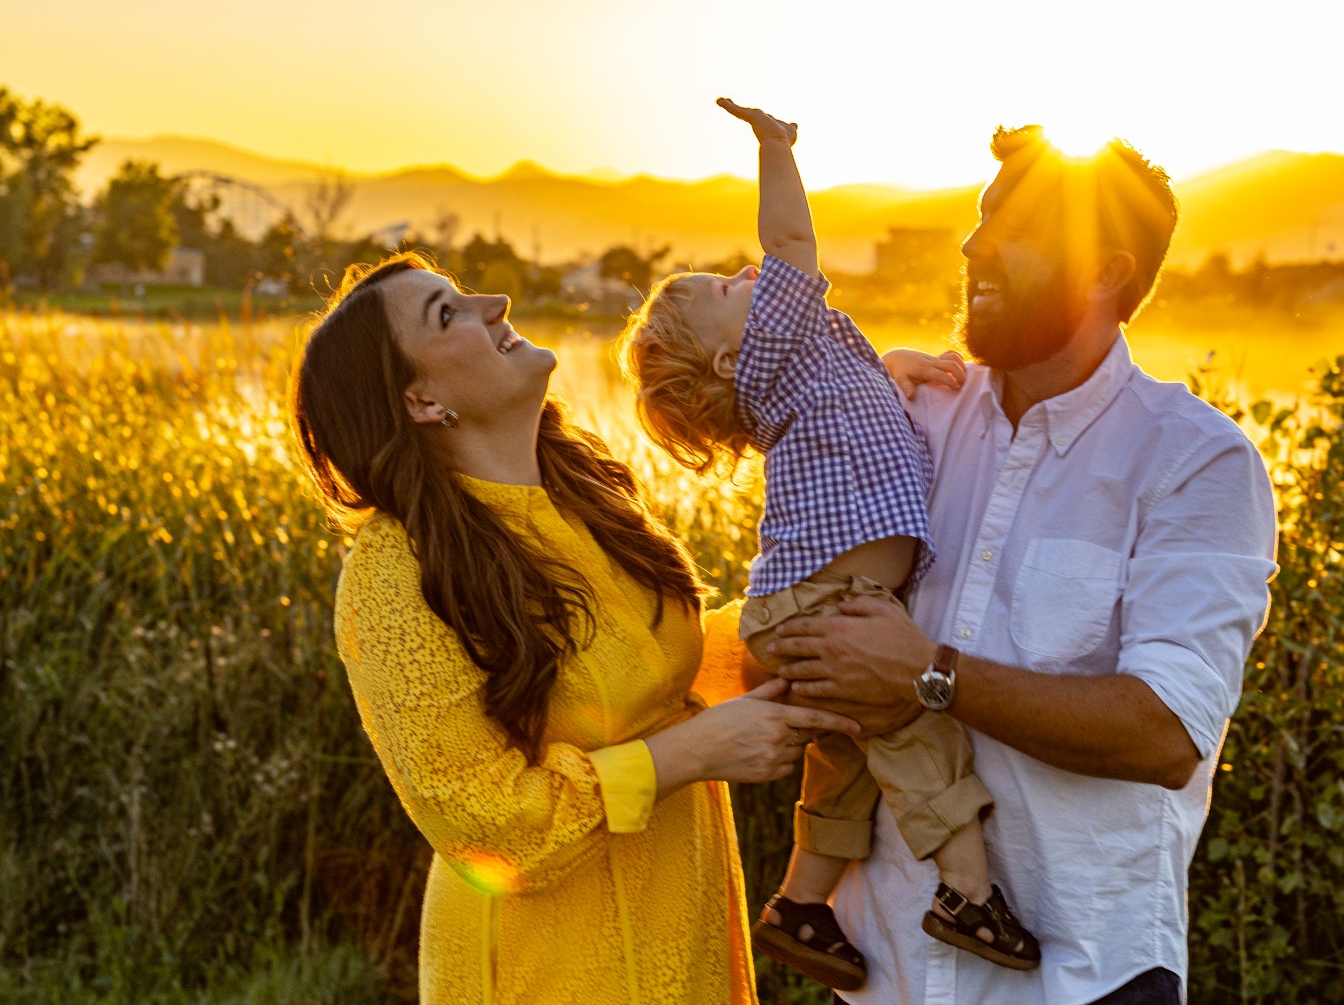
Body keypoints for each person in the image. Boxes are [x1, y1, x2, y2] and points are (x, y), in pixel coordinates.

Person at [768, 127, 1279, 1003]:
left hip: (1081, 973)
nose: (974, 245)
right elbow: (802, 598)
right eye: (979, 217)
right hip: (882, 967)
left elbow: (1165, 735)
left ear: (1108, 273)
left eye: (1015, 228)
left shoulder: (1196, 463)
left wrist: (927, 673)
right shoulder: (912, 417)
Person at [289, 250, 861, 1005]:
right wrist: (684, 756)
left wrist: (877, 404)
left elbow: (657, 671)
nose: (493, 301)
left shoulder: (585, 497)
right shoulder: (394, 571)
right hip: (546, 966)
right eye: (447, 312)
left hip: (677, 917)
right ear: (420, 400)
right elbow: (486, 823)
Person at [618, 100, 1039, 993]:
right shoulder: (779, 349)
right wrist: (776, 151)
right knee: (918, 730)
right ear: (735, 361)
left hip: (809, 606)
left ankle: (803, 909)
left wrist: (896, 369)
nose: (748, 276)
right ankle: (967, 891)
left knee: (848, 756)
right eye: (726, 293)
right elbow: (791, 245)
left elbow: (852, 411)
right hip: (829, 607)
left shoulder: (805, 373)